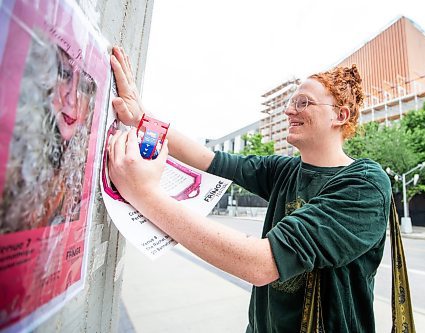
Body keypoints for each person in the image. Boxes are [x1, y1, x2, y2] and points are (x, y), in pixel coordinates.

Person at [108, 46, 391, 332]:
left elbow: (260, 263)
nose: (289, 110)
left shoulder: (364, 184)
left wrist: (143, 193)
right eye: (291, 102)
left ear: (340, 115)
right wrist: (142, 119)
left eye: (303, 102)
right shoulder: (283, 170)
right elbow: (210, 160)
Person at [0, 33, 97, 233]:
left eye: (85, 87)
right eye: (64, 73)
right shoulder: (15, 161)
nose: (72, 99)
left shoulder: (82, 178)